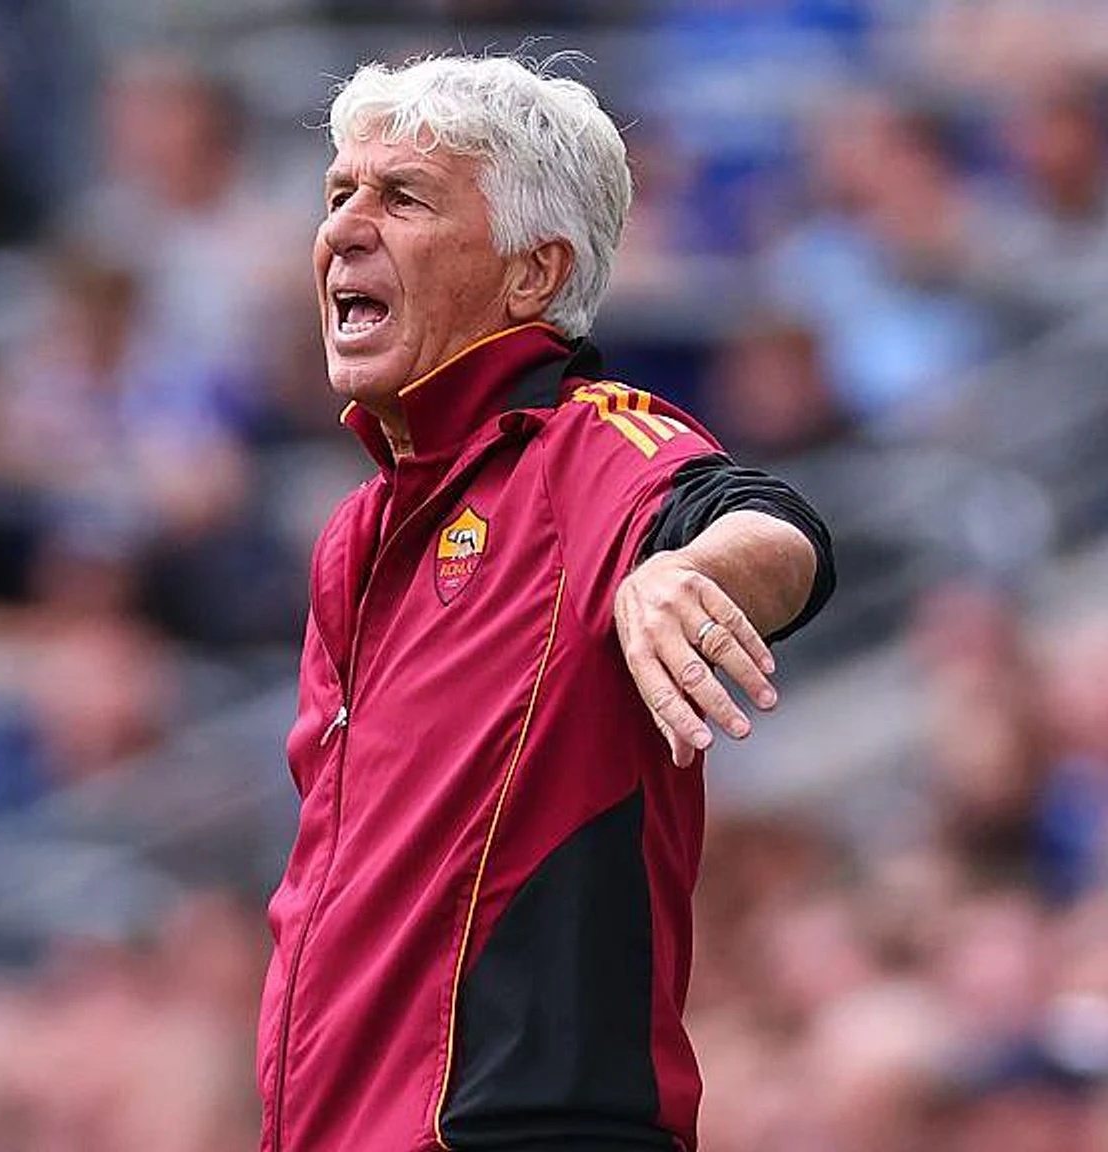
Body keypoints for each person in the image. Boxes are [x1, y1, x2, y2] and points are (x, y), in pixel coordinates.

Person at [259, 56, 835, 1152]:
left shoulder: (586, 447)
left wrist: (684, 576)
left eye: (402, 197)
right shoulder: (355, 536)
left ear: (534, 274)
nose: (341, 230)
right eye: (338, 194)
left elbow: (772, 528)